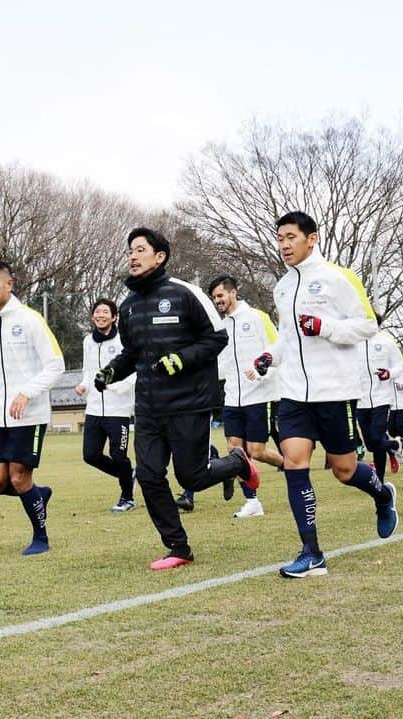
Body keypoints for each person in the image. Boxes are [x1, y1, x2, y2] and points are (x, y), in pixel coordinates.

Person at [95, 227, 258, 570]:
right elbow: (132, 355)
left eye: (140, 249)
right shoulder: (127, 306)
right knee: (150, 476)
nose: (133, 256)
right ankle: (178, 547)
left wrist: (181, 359)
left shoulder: (185, 293)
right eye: (130, 251)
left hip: (189, 402)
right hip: (149, 408)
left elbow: (216, 338)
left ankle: (238, 463)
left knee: (192, 478)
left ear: (160, 256)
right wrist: (110, 372)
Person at [252, 211, 397, 578]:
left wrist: (325, 327)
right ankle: (311, 552)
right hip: (293, 394)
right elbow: (287, 337)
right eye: (280, 238)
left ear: (311, 238)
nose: (284, 244)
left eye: (290, 237)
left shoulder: (338, 278)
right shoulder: (282, 287)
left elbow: (366, 326)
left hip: (335, 391)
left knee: (344, 470)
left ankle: (383, 495)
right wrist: (272, 355)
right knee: (294, 461)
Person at [0, 260, 65, 555]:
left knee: (18, 476)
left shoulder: (30, 319)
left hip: (30, 416)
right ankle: (39, 495)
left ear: (9, 284)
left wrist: (26, 393)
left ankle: (41, 538)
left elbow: (56, 366)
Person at [208, 274, 285, 518]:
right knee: (236, 452)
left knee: (258, 451)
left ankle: (289, 466)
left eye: (220, 295)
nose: (218, 301)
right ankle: (252, 502)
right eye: (214, 298)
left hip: (260, 396)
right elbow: (219, 364)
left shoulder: (257, 318)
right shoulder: (220, 327)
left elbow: (279, 351)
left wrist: (262, 372)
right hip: (232, 398)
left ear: (233, 292)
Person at [75, 298, 136, 511]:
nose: (101, 315)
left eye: (105, 312)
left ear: (114, 316)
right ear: (93, 316)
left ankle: (127, 497)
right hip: (93, 409)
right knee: (90, 455)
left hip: (117, 409)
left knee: (119, 456)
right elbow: (87, 371)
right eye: (97, 312)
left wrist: (115, 387)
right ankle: (129, 475)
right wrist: (83, 385)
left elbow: (133, 372)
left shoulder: (123, 340)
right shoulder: (87, 341)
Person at [357, 329, 403, 481]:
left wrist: (389, 373)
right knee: (371, 445)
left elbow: (400, 364)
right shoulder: (352, 342)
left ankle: (380, 479)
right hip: (360, 400)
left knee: (377, 438)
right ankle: (394, 445)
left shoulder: (386, 341)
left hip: (382, 399)